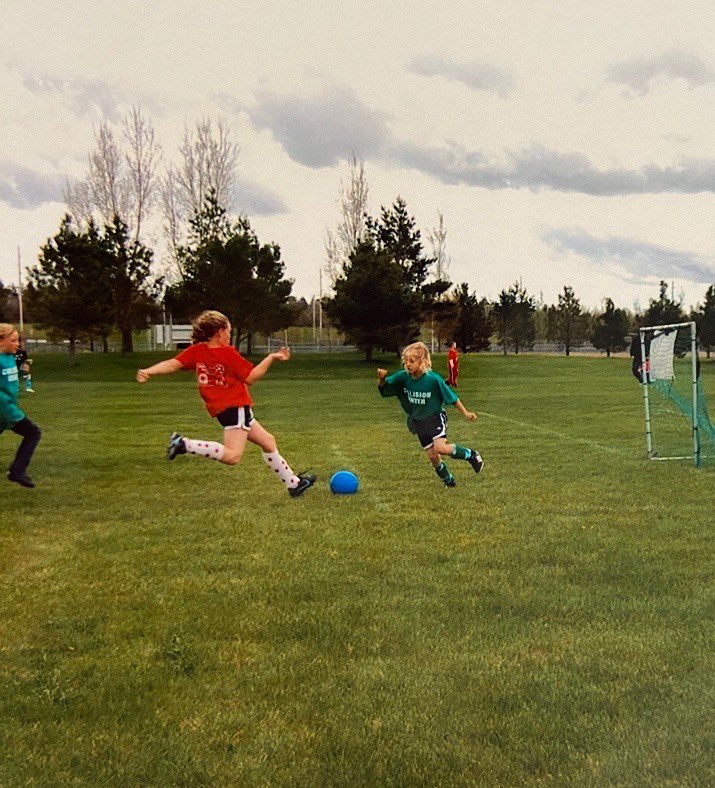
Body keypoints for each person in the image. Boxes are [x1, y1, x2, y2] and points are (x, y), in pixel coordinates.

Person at [136, 310, 316, 498]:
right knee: (233, 457)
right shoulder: (227, 353)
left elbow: (173, 364)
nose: (230, 335)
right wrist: (271, 358)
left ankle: (294, 484)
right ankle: (184, 444)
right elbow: (251, 377)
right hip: (235, 408)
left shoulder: (198, 350)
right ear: (220, 331)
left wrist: (149, 371)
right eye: (229, 331)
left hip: (226, 410)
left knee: (268, 441)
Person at [377, 341, 484, 487]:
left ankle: (471, 455)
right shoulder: (403, 377)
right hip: (418, 422)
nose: (408, 364)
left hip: (435, 418)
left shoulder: (433, 379)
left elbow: (452, 397)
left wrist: (466, 413)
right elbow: (386, 388)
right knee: (433, 457)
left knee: (441, 448)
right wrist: (382, 379)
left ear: (422, 361)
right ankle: (449, 481)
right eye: (406, 361)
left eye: (412, 361)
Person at [0, 324, 42, 487]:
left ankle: (16, 471)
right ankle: (17, 471)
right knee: (33, 433)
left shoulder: (11, 356)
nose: (17, 344)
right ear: (1, 340)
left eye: (18, 340)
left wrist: (25, 368)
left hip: (8, 408)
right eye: (13, 340)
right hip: (5, 409)